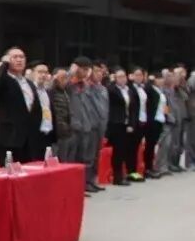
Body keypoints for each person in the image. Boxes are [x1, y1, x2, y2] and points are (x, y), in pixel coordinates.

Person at [0, 47, 42, 163]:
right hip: (9, 138)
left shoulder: (29, 83)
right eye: (15, 57)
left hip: (28, 140)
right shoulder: (4, 80)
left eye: (22, 57)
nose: (19, 60)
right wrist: (4, 64)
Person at [65, 58, 103, 193]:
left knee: (86, 158)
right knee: (72, 159)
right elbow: (58, 85)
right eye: (84, 69)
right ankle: (71, 186)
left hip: (87, 126)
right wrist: (71, 72)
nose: (86, 72)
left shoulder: (86, 86)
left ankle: (85, 183)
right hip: (73, 127)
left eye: (88, 70)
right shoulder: (69, 85)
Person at [105, 68, 137, 186]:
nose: (122, 79)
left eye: (123, 76)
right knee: (118, 151)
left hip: (127, 123)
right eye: (119, 77)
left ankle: (125, 174)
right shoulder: (112, 90)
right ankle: (117, 177)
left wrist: (132, 124)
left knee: (125, 150)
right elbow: (109, 90)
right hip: (116, 123)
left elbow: (132, 108)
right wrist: (111, 81)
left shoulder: (129, 90)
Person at [131, 67, 160, 179]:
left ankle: (148, 168)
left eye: (141, 75)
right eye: (136, 75)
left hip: (146, 120)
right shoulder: (130, 88)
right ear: (132, 76)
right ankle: (132, 171)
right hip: (136, 121)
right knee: (133, 146)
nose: (139, 77)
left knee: (150, 145)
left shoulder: (145, 88)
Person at [31, 62, 58, 155]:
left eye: (45, 72)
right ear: (33, 73)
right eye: (40, 72)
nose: (43, 75)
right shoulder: (29, 90)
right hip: (34, 133)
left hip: (47, 132)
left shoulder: (47, 91)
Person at [168, 65, 188, 172]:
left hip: (182, 115)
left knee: (181, 142)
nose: (179, 77)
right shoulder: (170, 89)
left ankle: (177, 162)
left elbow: (186, 96)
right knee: (174, 141)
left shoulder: (181, 88)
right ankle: (172, 163)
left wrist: (182, 82)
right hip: (174, 117)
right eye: (177, 75)